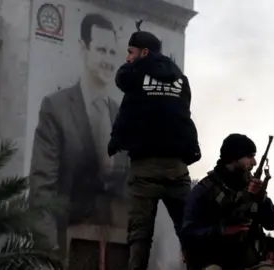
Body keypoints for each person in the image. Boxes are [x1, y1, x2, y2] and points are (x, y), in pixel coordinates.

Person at [29, 13, 130, 269]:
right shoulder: (56, 108)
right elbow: (42, 188)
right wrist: (48, 253)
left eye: (112, 52)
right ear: (83, 49)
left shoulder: (124, 117)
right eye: (101, 50)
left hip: (117, 250)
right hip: (69, 249)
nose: (108, 60)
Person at [107, 30, 201, 270]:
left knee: (139, 235)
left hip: (146, 166)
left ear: (144, 52)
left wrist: (135, 64)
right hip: (177, 167)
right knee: (189, 231)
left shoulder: (135, 73)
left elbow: (121, 78)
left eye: (130, 52)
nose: (128, 57)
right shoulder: (181, 79)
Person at [181, 133, 274, 270]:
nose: (254, 162)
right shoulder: (205, 190)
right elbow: (188, 234)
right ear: (234, 158)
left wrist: (261, 199)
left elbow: (273, 223)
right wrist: (223, 231)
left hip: (249, 262)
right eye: (250, 156)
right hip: (214, 261)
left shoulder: (252, 186)